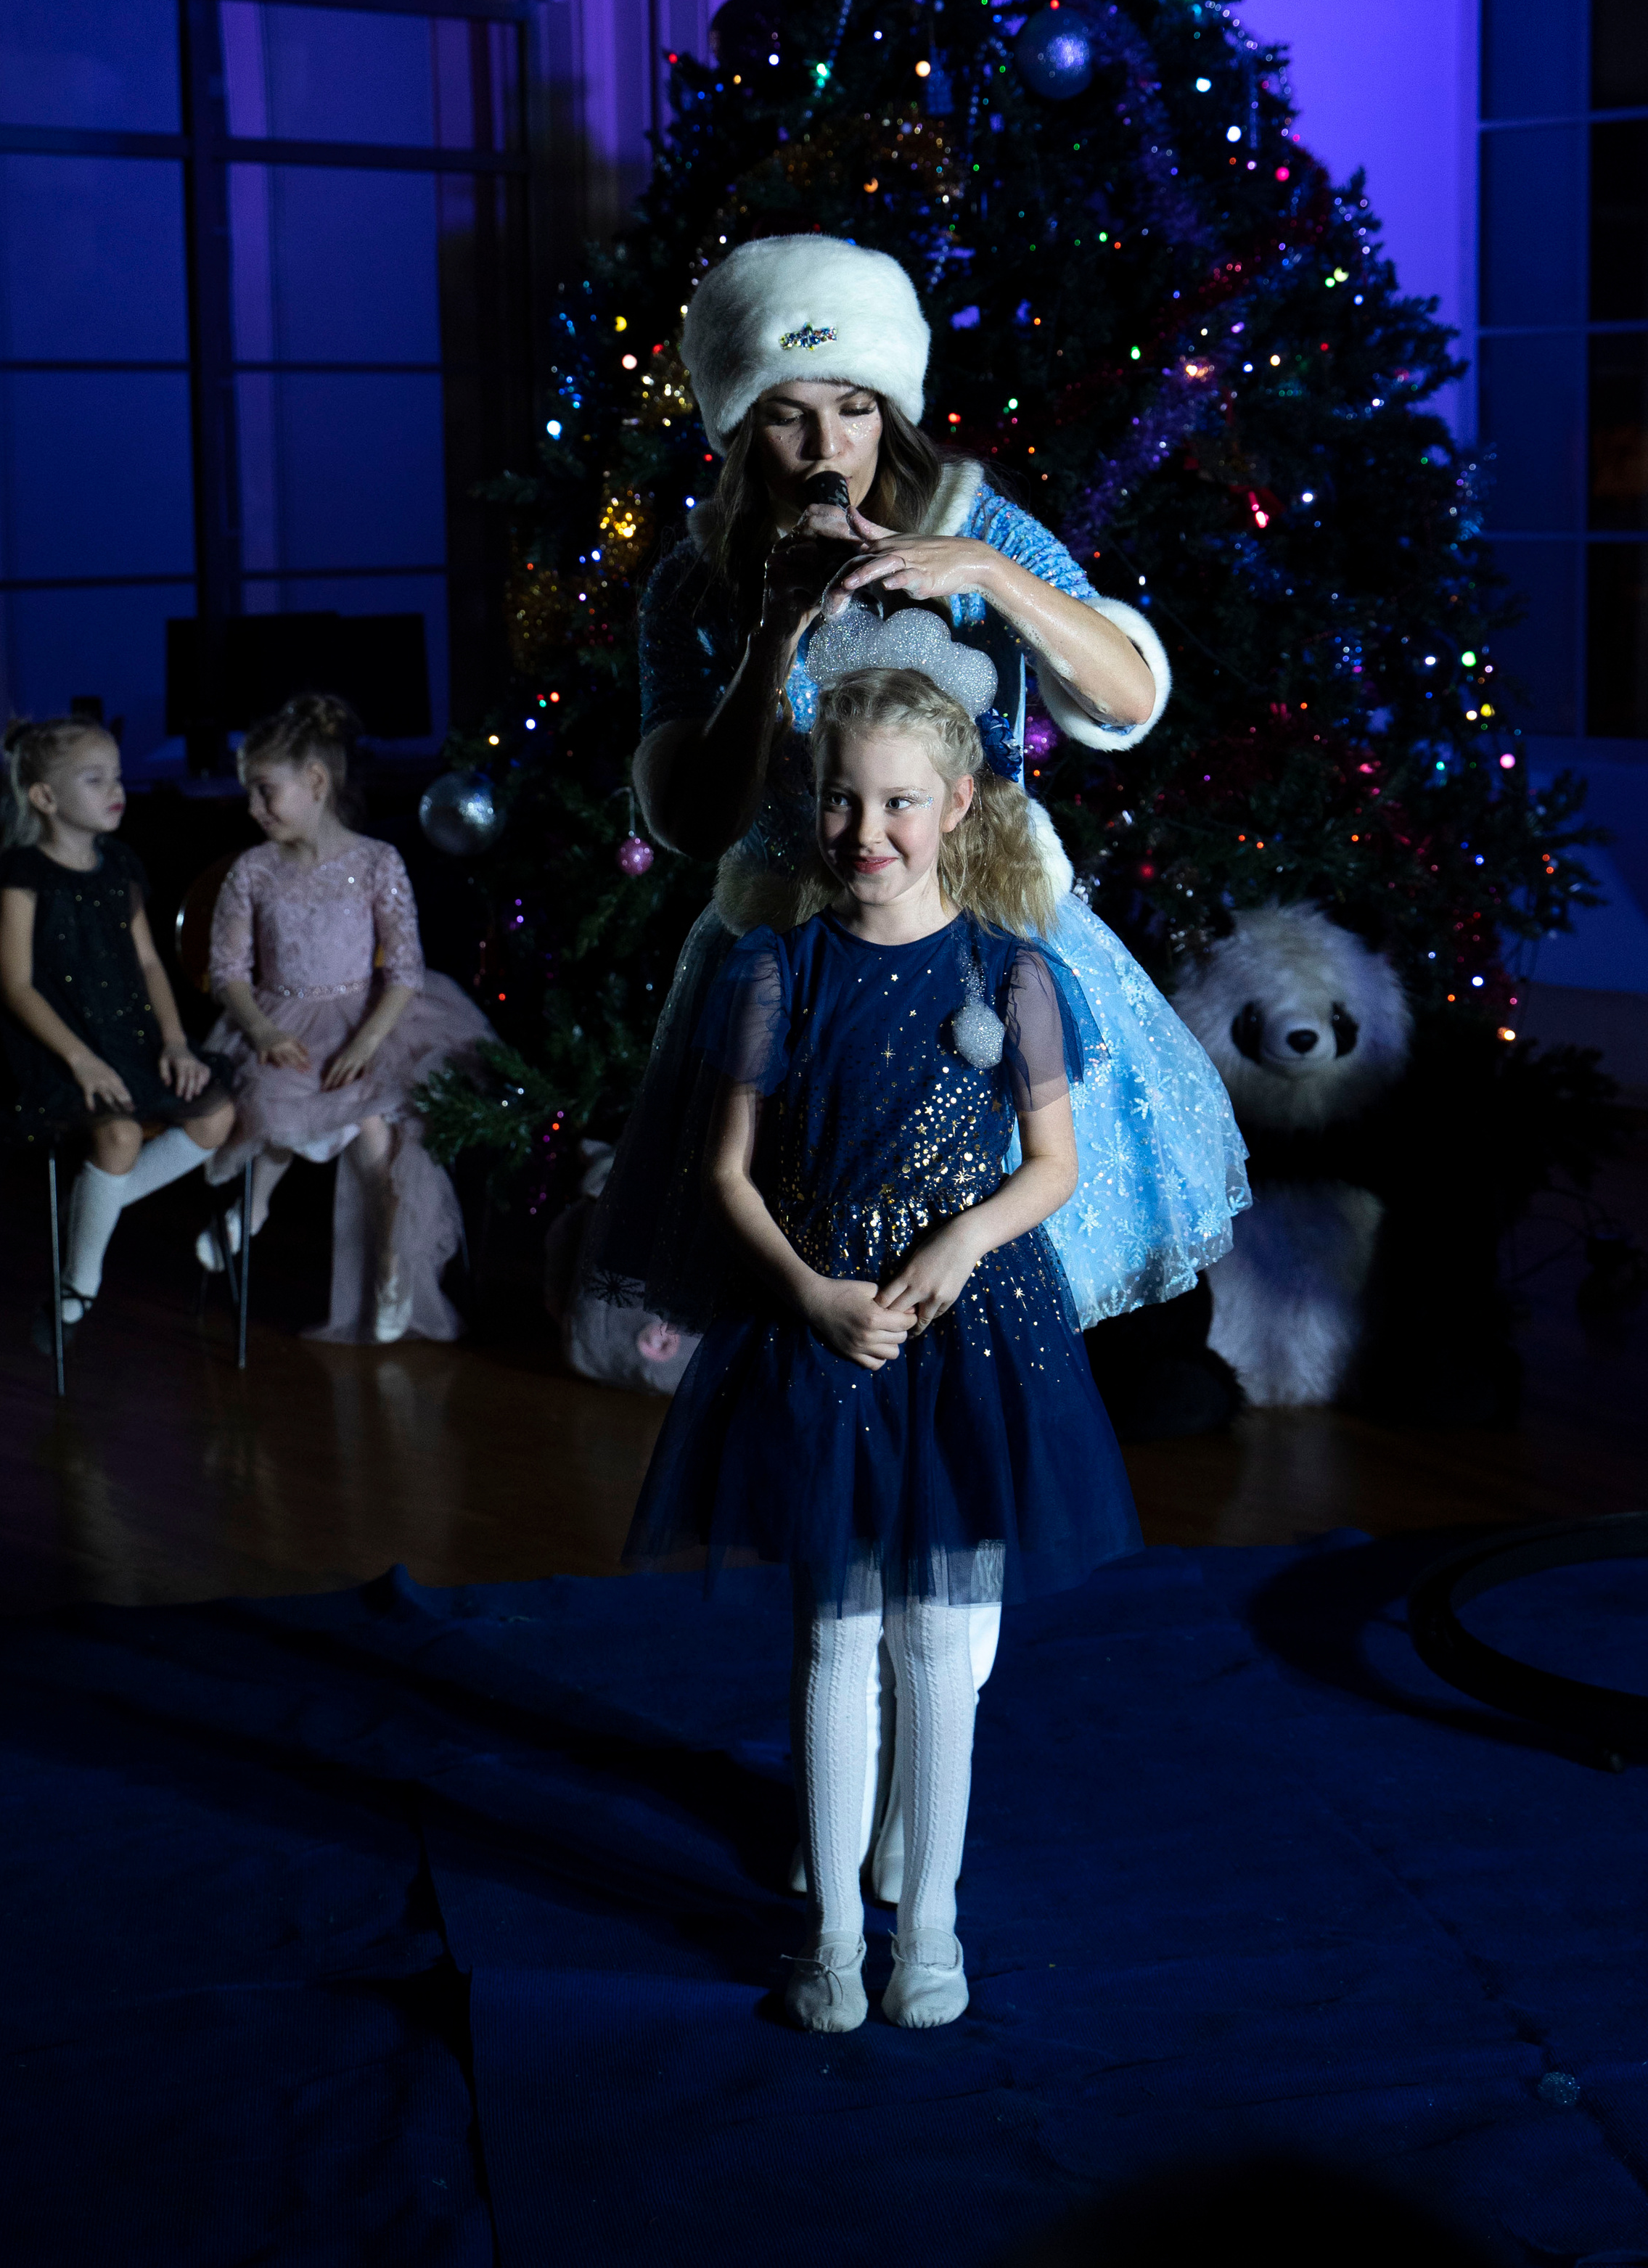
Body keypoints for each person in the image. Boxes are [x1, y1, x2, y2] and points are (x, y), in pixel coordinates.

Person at [577, 232, 1247, 1369]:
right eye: (789, 415)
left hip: (977, 944)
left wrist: (985, 574)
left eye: (854, 407)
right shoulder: (695, 577)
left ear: (891, 405)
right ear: (741, 427)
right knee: (821, 1299)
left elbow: (1129, 694)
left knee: (981, 1307)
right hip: (800, 970)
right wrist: (773, 630)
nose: (827, 446)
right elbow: (690, 821)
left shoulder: (976, 519)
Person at [625, 656, 1144, 2033]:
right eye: (846, 802)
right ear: (815, 803)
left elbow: (1049, 1166)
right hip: (826, 1333)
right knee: (831, 1636)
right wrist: (808, 1292)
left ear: (959, 803)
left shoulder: (1008, 972)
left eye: (901, 804)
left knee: (933, 1639)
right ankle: (835, 1938)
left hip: (967, 1336)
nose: (869, 833)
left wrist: (958, 1245)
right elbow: (729, 1172)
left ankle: (934, 1930)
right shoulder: (772, 969)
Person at [201, 694, 488, 1344]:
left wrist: (366, 1041)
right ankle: (251, 1209)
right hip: (283, 1016)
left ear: (316, 783)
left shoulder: (375, 863)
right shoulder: (253, 871)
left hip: (373, 1017)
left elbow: (406, 969)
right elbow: (228, 974)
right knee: (272, 1102)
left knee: (374, 1126)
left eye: (265, 791)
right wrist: (264, 1030)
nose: (253, 808)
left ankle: (392, 1269)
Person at [0, 717, 236, 1344]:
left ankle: (94, 1205)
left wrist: (178, 1042)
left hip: (132, 1038)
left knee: (216, 1117)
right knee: (121, 1134)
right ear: (45, 798)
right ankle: (80, 1280)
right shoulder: (25, 873)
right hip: (63, 1048)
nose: (116, 790)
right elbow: (17, 984)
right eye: (95, 779)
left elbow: (151, 962)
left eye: (118, 777)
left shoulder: (121, 864)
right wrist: (80, 1060)